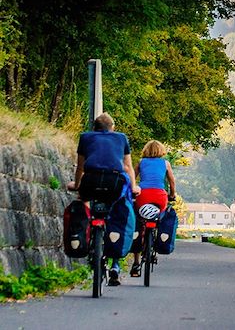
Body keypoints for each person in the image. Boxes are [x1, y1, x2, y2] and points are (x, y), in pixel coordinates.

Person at [67, 113, 140, 286]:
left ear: (95, 127)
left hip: (90, 181)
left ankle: (83, 232)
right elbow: (128, 166)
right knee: (116, 213)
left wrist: (77, 184)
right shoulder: (121, 138)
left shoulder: (85, 137)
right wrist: (133, 187)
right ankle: (115, 264)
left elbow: (80, 167)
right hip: (114, 183)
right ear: (112, 127)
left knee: (83, 200)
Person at [130, 140, 176, 278]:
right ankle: (158, 241)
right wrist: (172, 195)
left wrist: (132, 191)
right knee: (160, 219)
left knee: (138, 223)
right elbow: (172, 181)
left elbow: (132, 178)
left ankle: (136, 262)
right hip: (160, 197)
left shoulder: (141, 162)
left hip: (142, 196)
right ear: (161, 151)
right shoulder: (165, 163)